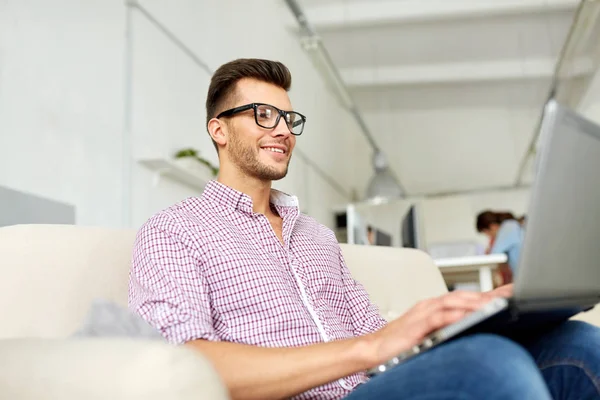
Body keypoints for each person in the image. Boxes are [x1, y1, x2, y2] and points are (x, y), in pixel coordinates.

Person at [129, 58, 600, 400]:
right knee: (490, 365)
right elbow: (182, 365)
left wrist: (468, 312)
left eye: (289, 119)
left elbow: (380, 334)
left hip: (375, 388)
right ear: (219, 130)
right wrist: (369, 348)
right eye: (263, 115)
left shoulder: (315, 237)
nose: (283, 130)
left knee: (577, 344)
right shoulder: (174, 231)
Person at [476, 210, 524, 276]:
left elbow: (493, 257)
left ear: (493, 226)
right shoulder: (514, 226)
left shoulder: (509, 227)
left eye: (487, 233)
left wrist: (489, 249)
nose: (489, 236)